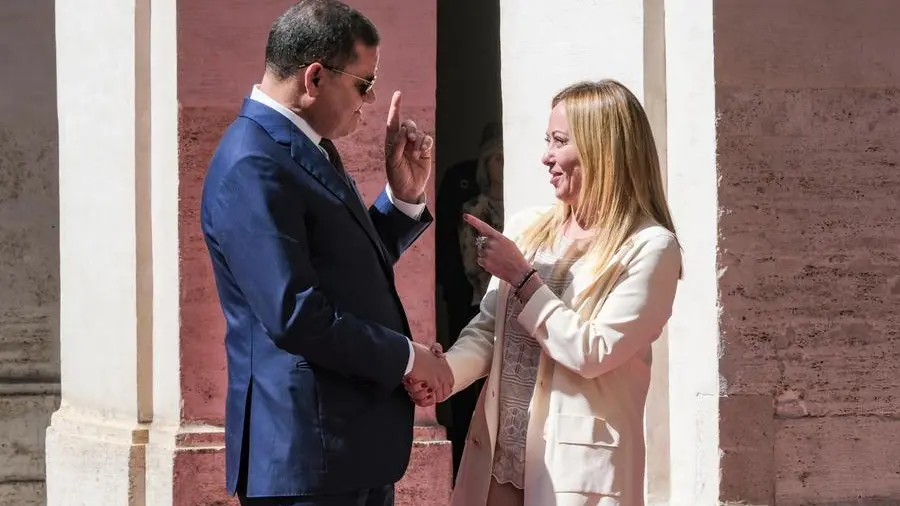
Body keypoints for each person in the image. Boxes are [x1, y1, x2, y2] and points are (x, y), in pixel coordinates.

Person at [200, 1, 453, 505]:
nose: (370, 98)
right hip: (306, 457)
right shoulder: (253, 162)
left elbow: (343, 267)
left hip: (345, 451)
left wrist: (402, 198)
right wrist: (407, 358)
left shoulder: (302, 145)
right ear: (314, 78)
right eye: (364, 83)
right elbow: (296, 313)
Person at [407, 79, 682, 506]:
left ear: (602, 149)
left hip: (575, 475)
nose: (546, 156)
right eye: (546, 140)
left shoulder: (651, 247)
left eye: (559, 141)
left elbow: (593, 352)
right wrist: (445, 375)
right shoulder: (528, 227)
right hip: (498, 464)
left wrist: (523, 278)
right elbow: (489, 330)